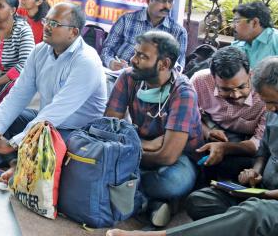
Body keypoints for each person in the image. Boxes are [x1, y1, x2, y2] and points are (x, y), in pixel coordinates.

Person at [105, 56, 278, 236]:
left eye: (274, 103)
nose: (269, 108)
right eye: (268, 103)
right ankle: (240, 221)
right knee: (199, 200)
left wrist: (261, 195)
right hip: (262, 188)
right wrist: (255, 172)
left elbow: (167, 155)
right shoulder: (272, 112)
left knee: (254, 211)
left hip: (269, 197)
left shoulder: (182, 90)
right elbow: (263, 151)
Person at [0, 2, 106, 163]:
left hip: (75, 131)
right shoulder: (40, 50)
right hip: (45, 121)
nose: (46, 27)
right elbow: (18, 94)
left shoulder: (86, 61)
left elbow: (57, 111)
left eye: (54, 24)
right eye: (47, 21)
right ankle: (15, 163)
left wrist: (13, 143)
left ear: (73, 32)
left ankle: (17, 162)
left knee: (48, 145)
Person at [104, 31, 203, 227]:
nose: (132, 60)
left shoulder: (183, 92)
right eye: (135, 53)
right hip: (141, 151)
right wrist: (146, 145)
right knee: (104, 157)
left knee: (171, 183)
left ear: (164, 64)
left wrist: (126, 151)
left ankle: (128, 194)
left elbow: (168, 156)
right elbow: (109, 128)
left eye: (142, 56)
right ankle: (150, 205)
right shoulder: (128, 77)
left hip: (180, 159)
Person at [191, 46, 267, 181]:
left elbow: (258, 143)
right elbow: (190, 115)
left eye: (242, 87)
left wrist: (224, 148)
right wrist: (208, 131)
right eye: (225, 89)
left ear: (250, 75)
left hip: (246, 142)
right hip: (209, 127)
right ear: (213, 78)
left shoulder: (264, 92)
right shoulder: (200, 81)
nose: (236, 95)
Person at [102, 0, 188, 71]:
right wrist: (111, 62)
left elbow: (178, 67)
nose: (167, 6)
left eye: (170, 1)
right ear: (148, 0)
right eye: (161, 1)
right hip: (119, 76)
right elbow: (107, 49)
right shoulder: (126, 20)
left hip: (153, 82)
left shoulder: (178, 32)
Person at [231, 1, 278, 68]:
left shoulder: (275, 40)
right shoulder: (236, 46)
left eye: (237, 21)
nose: (232, 26)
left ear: (254, 23)